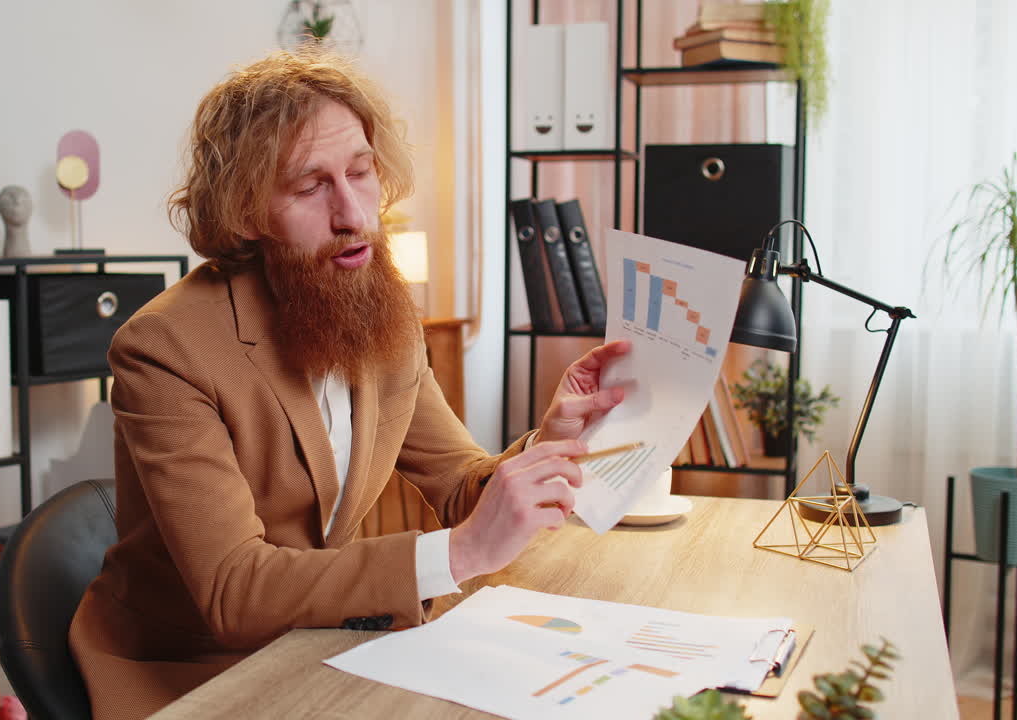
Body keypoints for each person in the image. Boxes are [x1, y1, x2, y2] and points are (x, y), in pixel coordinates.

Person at [68, 48, 630, 720]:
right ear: (247, 213)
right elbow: (233, 590)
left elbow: (460, 487)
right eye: (311, 187)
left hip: (318, 641)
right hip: (187, 669)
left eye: (361, 173)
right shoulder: (163, 348)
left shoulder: (377, 309)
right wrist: (461, 552)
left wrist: (548, 443)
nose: (354, 214)